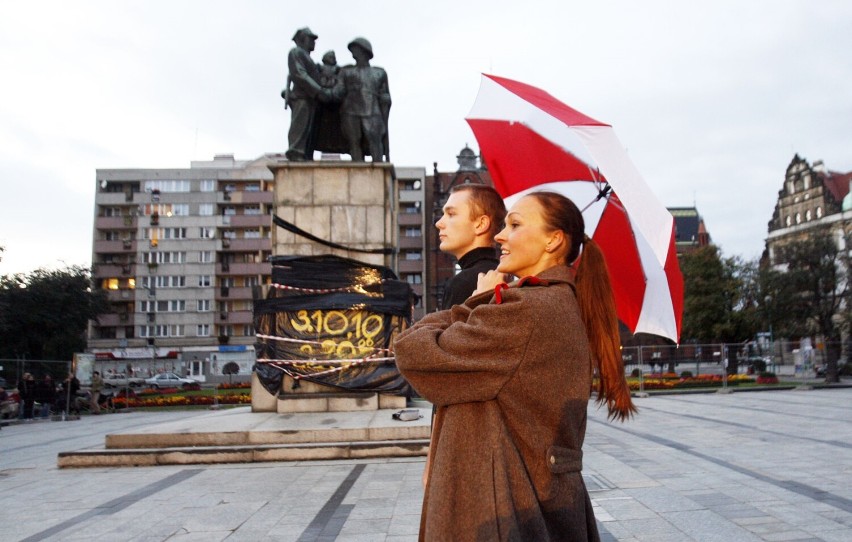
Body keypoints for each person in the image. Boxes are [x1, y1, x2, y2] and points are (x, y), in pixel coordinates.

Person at [394, 191, 635, 541]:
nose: (499, 235)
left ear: (553, 240)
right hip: (535, 496)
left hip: (501, 506)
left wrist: (479, 299)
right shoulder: (558, 302)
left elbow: (412, 352)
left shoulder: (526, 310)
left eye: (515, 225)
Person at [436, 184, 507, 310]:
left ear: (480, 224)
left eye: (451, 214)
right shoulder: (503, 275)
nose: (439, 223)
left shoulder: (463, 283)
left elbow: (452, 330)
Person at [333, 37, 391, 162]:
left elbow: (385, 94)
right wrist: (320, 92)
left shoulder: (379, 73)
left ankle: (378, 169)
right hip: (350, 111)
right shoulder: (346, 72)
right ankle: (357, 170)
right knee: (354, 142)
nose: (353, 52)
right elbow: (338, 92)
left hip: (372, 111)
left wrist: (386, 99)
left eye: (356, 49)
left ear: (365, 52)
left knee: (375, 140)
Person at [284, 27, 325, 162]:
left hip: (310, 99)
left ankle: (304, 155)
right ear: (302, 39)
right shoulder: (296, 52)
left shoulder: (307, 57)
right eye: (311, 39)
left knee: (308, 131)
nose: (313, 42)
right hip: (302, 97)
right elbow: (299, 74)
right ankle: (295, 153)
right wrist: (318, 90)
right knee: (300, 126)